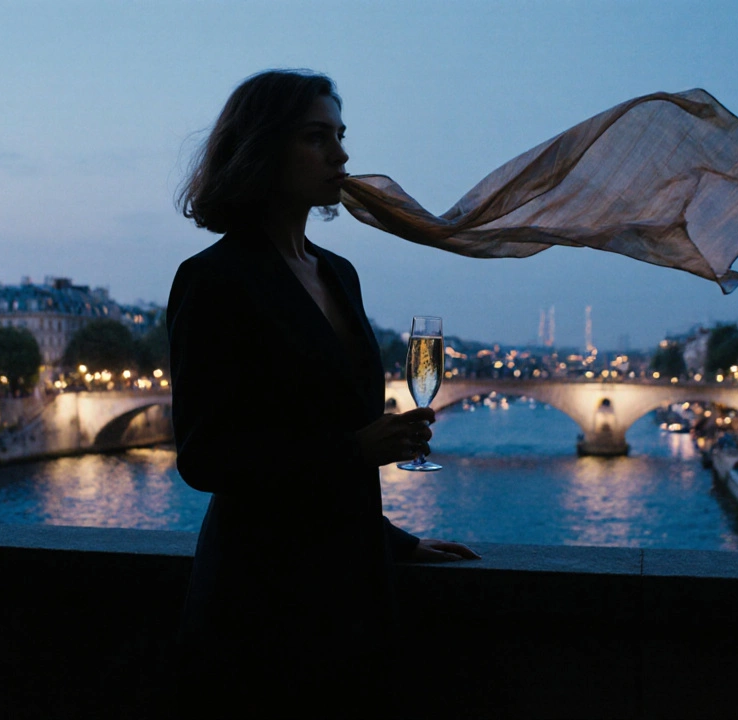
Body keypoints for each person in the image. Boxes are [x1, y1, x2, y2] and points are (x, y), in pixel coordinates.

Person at [168, 69, 478, 717]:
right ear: (262, 149)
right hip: (262, 605)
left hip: (353, 595)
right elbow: (204, 458)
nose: (341, 154)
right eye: (317, 137)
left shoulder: (339, 273)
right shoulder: (213, 279)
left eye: (340, 135)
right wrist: (355, 450)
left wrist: (393, 542)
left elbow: (329, 440)